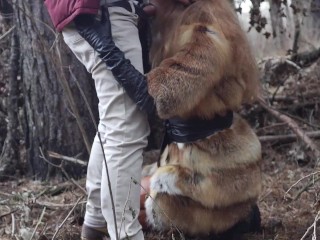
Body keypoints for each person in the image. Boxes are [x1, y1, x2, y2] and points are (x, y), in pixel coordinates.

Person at [44, 0, 193, 239]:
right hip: (103, 12)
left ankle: (97, 221)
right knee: (125, 127)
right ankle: (125, 233)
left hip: (98, 11)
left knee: (116, 122)